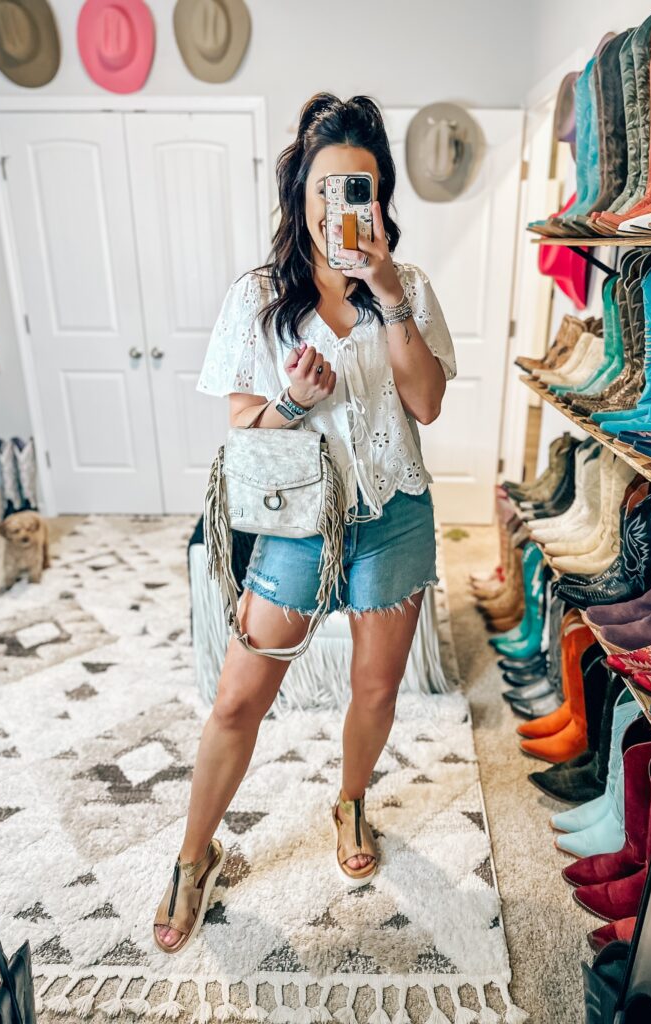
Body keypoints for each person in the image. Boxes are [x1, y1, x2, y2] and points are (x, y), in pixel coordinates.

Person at [153, 92, 456, 953]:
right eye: (325, 189)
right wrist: (292, 399)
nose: (339, 207)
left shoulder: (409, 287)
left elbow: (427, 404)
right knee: (238, 699)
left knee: (376, 688)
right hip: (294, 523)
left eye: (358, 189)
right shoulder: (257, 299)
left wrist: (389, 295)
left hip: (393, 513)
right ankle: (193, 854)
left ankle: (351, 801)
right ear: (301, 195)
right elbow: (240, 422)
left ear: (380, 198)